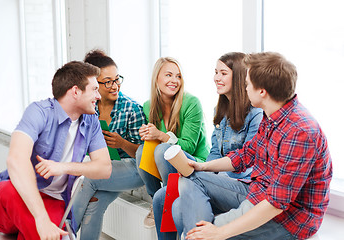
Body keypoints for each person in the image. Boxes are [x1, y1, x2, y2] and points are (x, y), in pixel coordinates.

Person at [172, 52, 332, 240]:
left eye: (247, 84)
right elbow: (246, 155)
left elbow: (276, 203)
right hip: (257, 193)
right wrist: (203, 166)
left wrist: (219, 232)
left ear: (262, 91)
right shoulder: (272, 115)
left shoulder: (300, 132)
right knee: (190, 178)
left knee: (193, 229)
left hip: (287, 219)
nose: (245, 88)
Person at [0, 61, 112, 240]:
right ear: (75, 91)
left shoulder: (92, 122)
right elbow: (16, 159)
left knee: (45, 233)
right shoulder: (39, 111)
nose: (98, 96)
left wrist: (63, 167)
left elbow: (104, 169)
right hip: (17, 194)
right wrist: (41, 219)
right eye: (94, 89)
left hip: (54, 200)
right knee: (5, 190)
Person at [152, 52, 263, 240]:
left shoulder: (256, 113)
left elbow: (249, 161)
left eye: (223, 73)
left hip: (239, 183)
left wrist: (208, 175)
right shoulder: (220, 111)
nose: (216, 78)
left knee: (180, 201)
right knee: (161, 197)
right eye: (215, 72)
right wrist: (209, 172)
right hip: (215, 175)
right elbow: (214, 152)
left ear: (238, 77)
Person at [72, 49, 147, 240]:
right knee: (94, 205)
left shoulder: (131, 108)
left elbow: (145, 156)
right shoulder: (89, 109)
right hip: (109, 169)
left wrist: (121, 143)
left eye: (117, 79)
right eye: (107, 81)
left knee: (90, 176)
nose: (115, 86)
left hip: (135, 168)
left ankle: (63, 232)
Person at [135, 57, 210, 228]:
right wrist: (147, 134)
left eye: (178, 76)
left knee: (162, 150)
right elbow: (153, 143)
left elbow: (189, 146)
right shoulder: (148, 106)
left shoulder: (191, 103)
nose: (174, 81)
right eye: (168, 75)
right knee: (141, 151)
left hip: (195, 160)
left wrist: (160, 135)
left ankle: (169, 200)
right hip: (169, 165)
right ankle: (156, 201)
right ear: (157, 78)